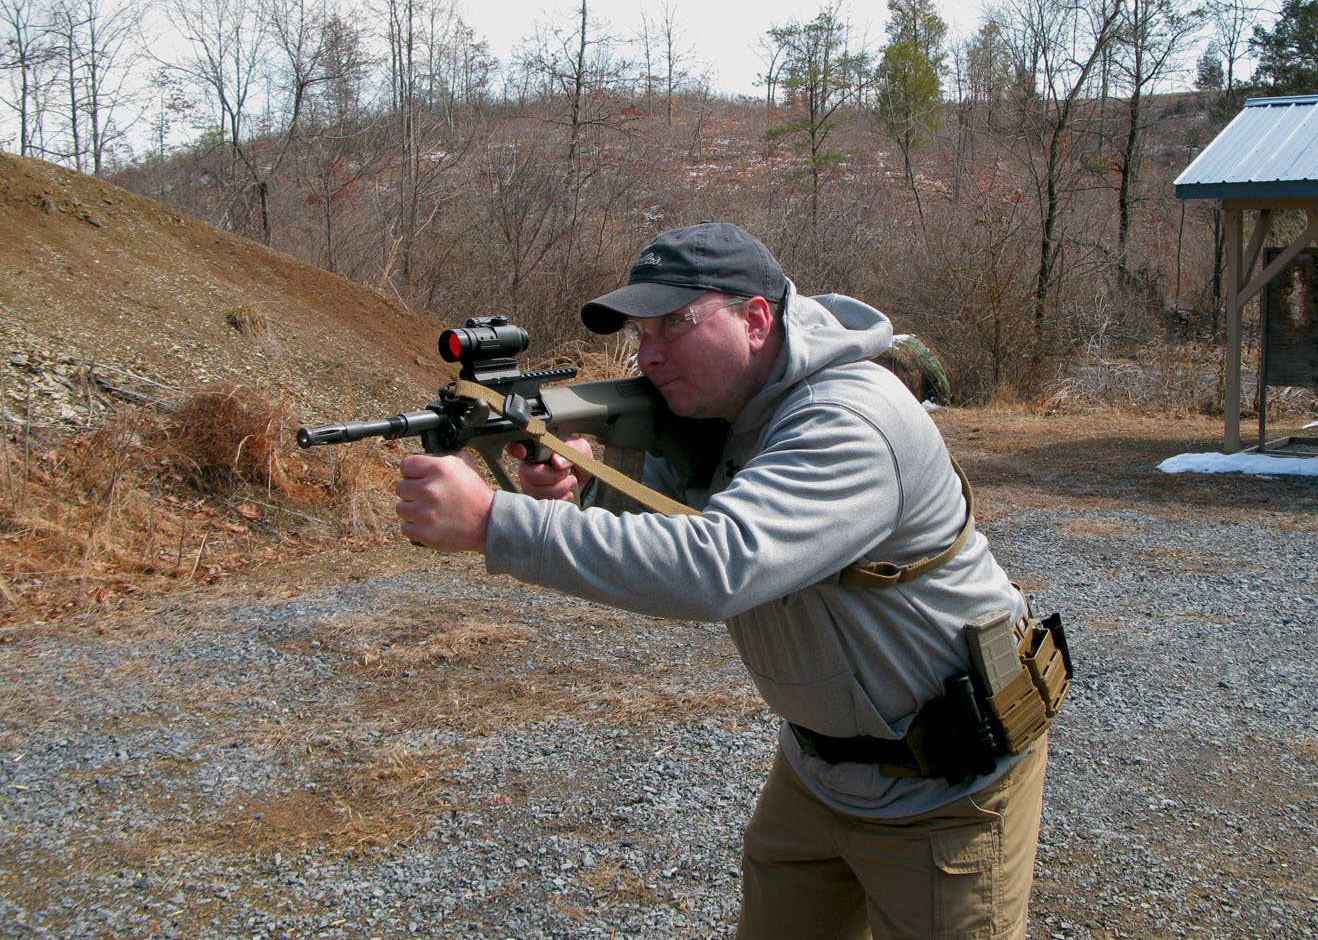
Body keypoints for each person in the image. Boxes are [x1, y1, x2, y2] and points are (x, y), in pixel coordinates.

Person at [395, 222, 1049, 939]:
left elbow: (718, 562)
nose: (649, 354)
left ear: (757, 319)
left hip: (947, 781)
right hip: (818, 769)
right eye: (642, 332)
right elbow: (677, 514)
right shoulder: (723, 411)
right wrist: (586, 485)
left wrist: (495, 522)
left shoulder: (850, 419)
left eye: (675, 324)